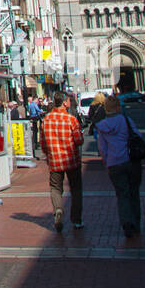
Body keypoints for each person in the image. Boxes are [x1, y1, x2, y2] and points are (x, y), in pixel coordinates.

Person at [96, 94, 144, 237]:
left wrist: (107, 162)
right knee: (134, 193)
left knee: (122, 195)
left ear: (106, 109)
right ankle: (136, 223)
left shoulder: (102, 126)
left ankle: (126, 224)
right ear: (118, 107)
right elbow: (138, 136)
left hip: (114, 164)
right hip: (131, 161)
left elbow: (102, 149)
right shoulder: (126, 120)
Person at [41, 93, 84, 232]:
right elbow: (78, 140)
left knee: (55, 188)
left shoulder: (46, 120)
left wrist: (48, 154)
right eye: (69, 101)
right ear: (65, 103)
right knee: (76, 189)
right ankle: (76, 220)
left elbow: (43, 143)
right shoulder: (71, 120)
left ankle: (58, 209)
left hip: (55, 160)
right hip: (71, 159)